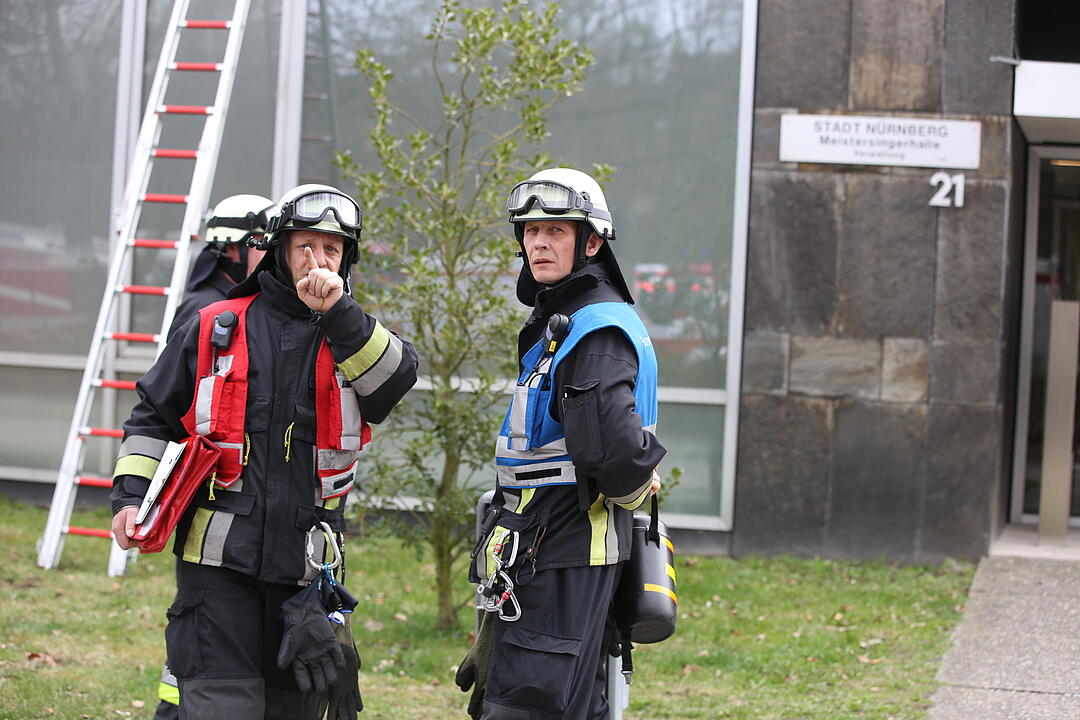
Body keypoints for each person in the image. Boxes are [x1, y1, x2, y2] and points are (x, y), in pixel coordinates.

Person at [109, 183, 418, 719]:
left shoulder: (355, 335)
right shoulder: (214, 325)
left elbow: (395, 383)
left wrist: (339, 314)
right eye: (305, 246)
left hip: (305, 576)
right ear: (279, 248)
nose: (318, 261)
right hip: (217, 564)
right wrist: (131, 495)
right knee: (219, 706)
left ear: (347, 260)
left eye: (332, 250)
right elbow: (153, 416)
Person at [461, 168, 666, 719]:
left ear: (591, 241)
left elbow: (612, 451)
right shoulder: (573, 320)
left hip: (564, 550)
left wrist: (637, 481)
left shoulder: (594, 330)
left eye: (555, 230)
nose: (538, 242)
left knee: (529, 707)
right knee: (571, 707)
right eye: (529, 231)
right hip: (548, 550)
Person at [153, 193, 272, 720]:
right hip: (208, 492)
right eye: (262, 244)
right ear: (231, 249)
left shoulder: (226, 299)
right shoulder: (208, 309)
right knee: (200, 653)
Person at [168, 193, 273, 338]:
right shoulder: (202, 311)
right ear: (232, 249)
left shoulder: (258, 302)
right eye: (263, 245)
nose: (273, 255)